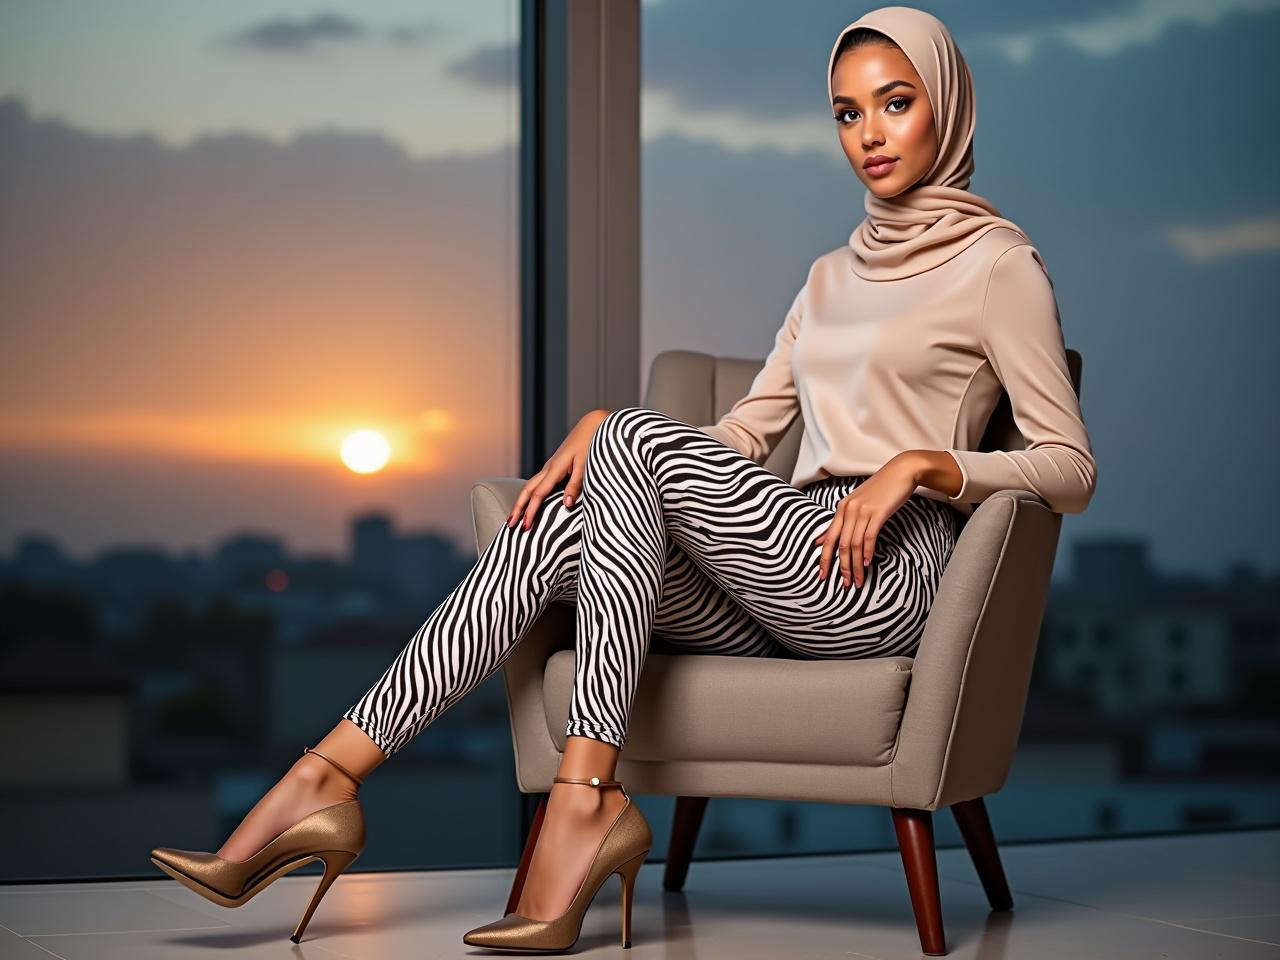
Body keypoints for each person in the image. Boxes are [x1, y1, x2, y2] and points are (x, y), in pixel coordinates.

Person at [149, 4, 1097, 953]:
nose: (870, 136)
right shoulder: (827, 278)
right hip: (781, 565)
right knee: (558, 529)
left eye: (896, 104)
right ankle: (330, 775)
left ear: (949, 106)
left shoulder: (999, 266)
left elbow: (1068, 466)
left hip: (883, 579)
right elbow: (742, 436)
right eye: (847, 114)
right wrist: (619, 437)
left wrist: (921, 465)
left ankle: (567, 801)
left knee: (624, 439)